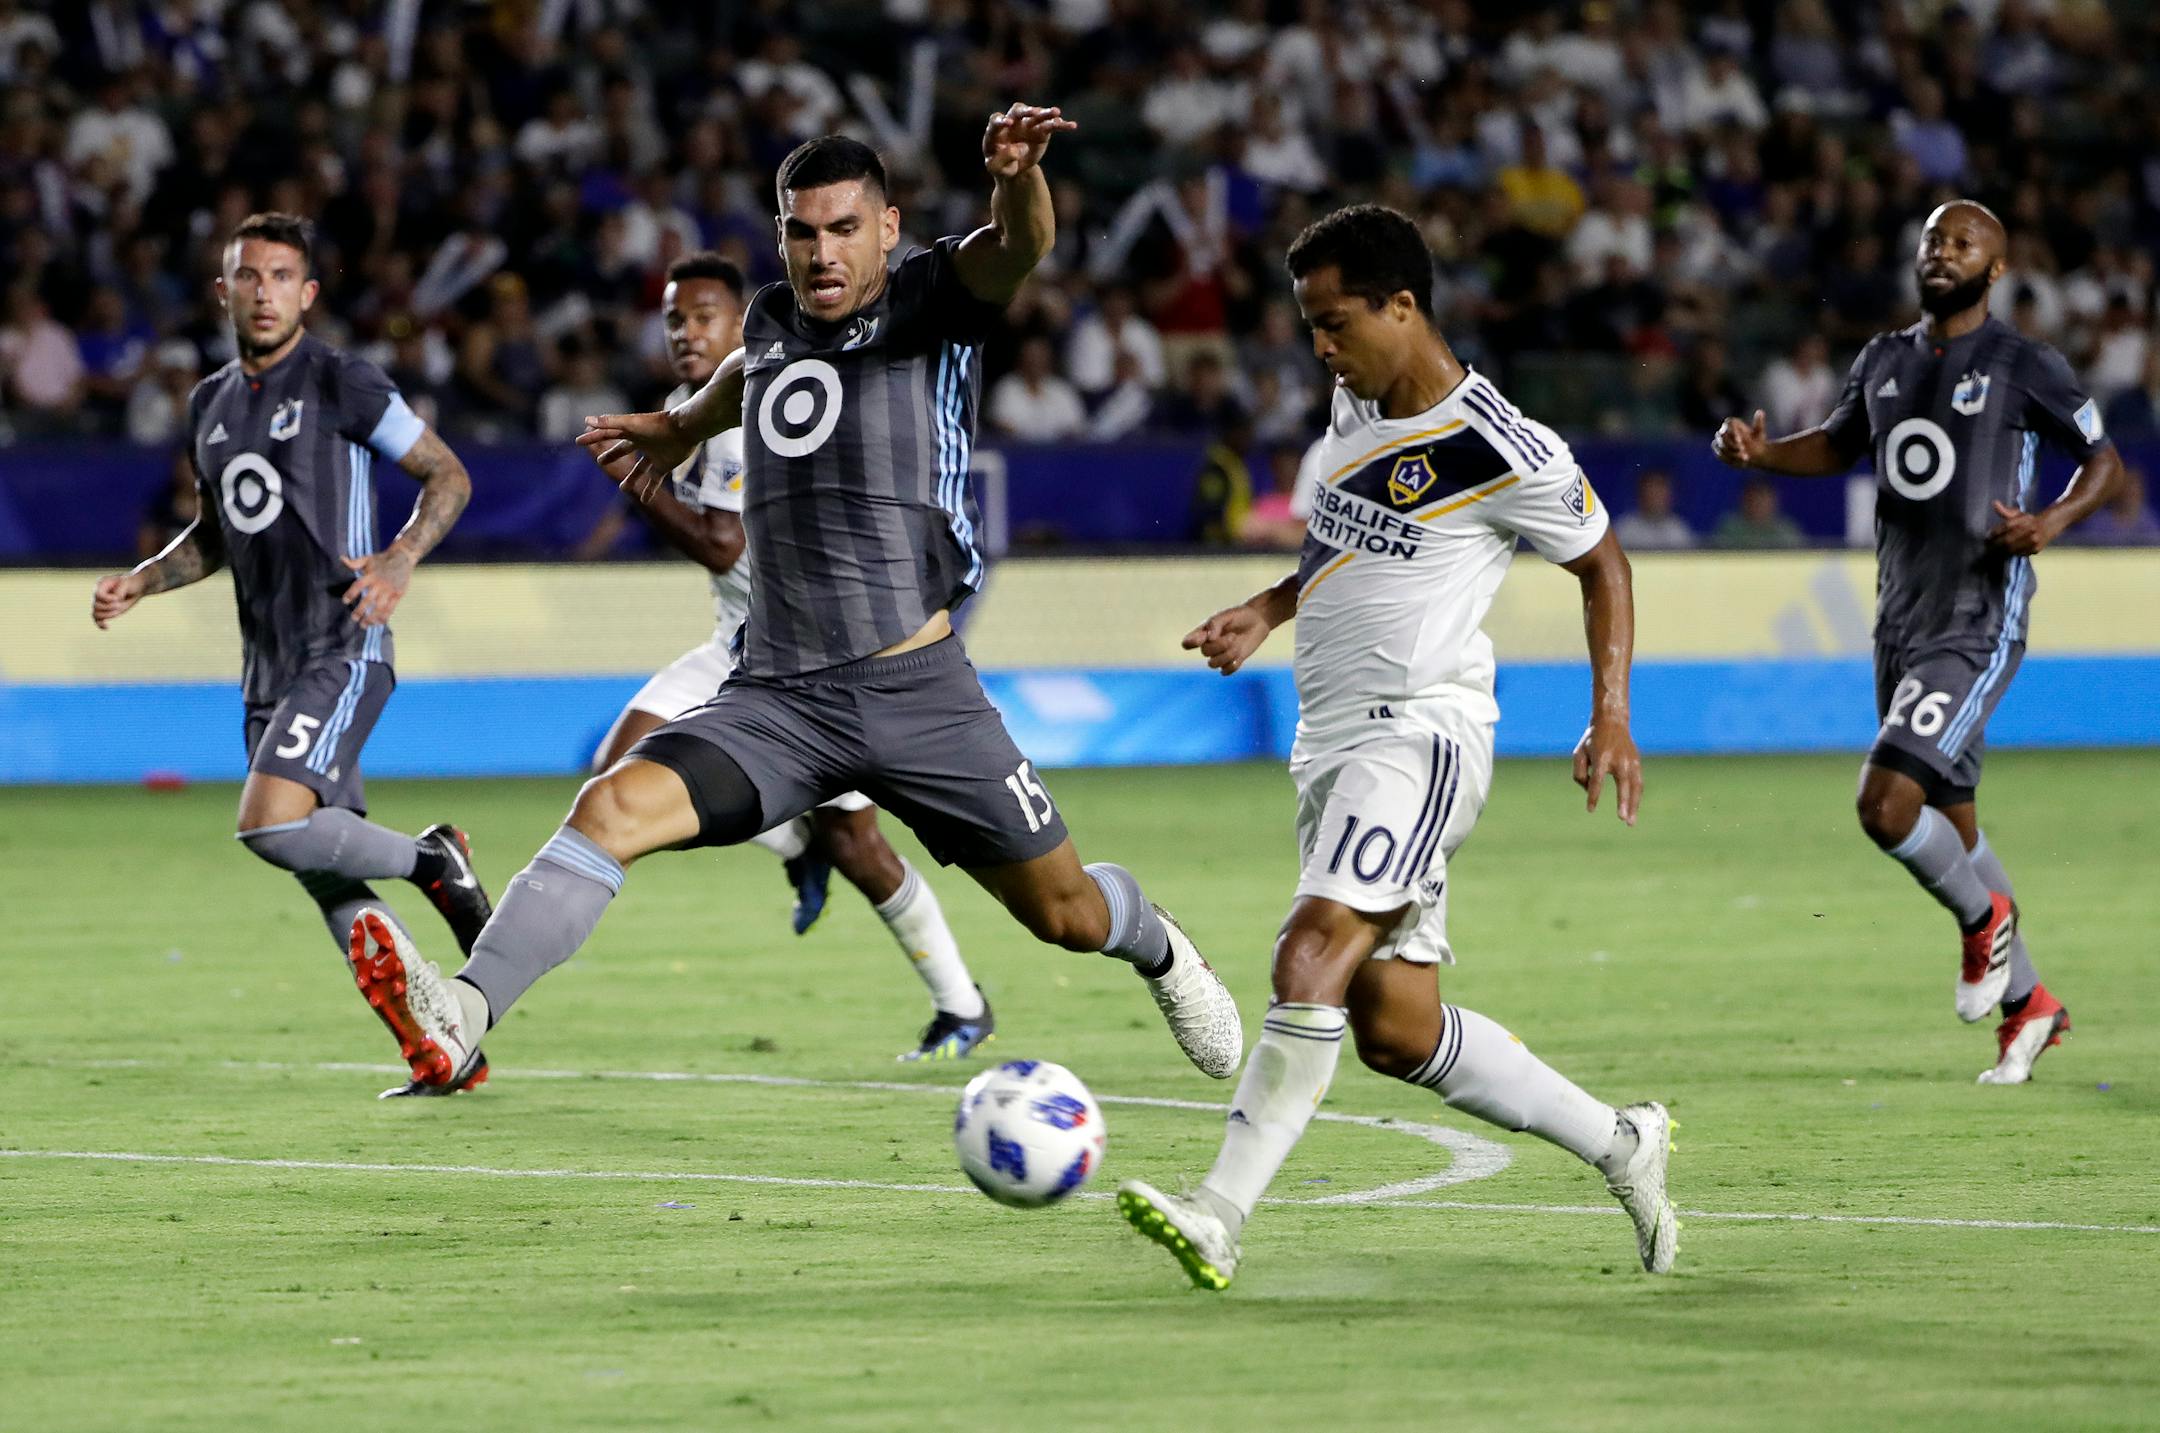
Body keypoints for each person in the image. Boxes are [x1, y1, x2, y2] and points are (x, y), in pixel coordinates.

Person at [343, 113, 1242, 1094]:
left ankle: (1158, 943)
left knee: (1065, 913)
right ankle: (459, 1014)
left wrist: (1017, 180)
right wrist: (676, 428)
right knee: (607, 807)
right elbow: (747, 373)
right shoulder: (769, 320)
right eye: (803, 232)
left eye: (844, 228)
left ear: (888, 227)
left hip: (919, 694)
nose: (823, 252)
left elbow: (1021, 244)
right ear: (781, 237)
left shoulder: (934, 297)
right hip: (776, 698)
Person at [1118, 204, 1675, 1291]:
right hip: (1330, 739)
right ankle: (1623, 1141)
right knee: (1394, 1026)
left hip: (1418, 732)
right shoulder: (1352, 402)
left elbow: (1604, 564)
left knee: (1307, 951)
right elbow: (1344, 535)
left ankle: (1219, 1210)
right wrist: (1270, 606)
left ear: (1402, 305)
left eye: (1334, 324)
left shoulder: (1503, 446)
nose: (1319, 348)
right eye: (1310, 327)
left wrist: (1610, 711)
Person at [1714, 200, 2125, 1085]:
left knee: (1886, 804)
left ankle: (1986, 926)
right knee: (1949, 823)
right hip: (1899, 615)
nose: (1943, 253)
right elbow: (1835, 446)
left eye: (1963, 242)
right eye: (1934, 240)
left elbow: (2105, 461)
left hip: (1977, 617)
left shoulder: (2025, 364)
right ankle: (2031, 1005)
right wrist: (1760, 455)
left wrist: (2051, 520)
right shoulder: (1886, 358)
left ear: (1996, 267)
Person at [89, 213, 494, 1088]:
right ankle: (442, 1046)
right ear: (223, 290)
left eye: (281, 276)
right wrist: (143, 579)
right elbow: (215, 533)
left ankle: (433, 860)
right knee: (317, 859)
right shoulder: (211, 404)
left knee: (269, 822)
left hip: (342, 645)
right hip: (265, 671)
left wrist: (399, 557)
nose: (264, 291)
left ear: (307, 293)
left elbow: (447, 474)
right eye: (248, 275)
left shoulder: (340, 380)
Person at [590, 250, 995, 1062]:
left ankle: (962, 1002)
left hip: (819, 657)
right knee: (616, 776)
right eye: (674, 319)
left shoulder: (760, 401)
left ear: (739, 319)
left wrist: (637, 483)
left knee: (861, 847)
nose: (686, 333)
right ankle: (795, 840)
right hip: (737, 648)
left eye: (703, 316)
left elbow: (719, 541)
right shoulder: (689, 408)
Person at [1711, 475, 1805, 548]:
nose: (1757, 503)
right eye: (1752, 498)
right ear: (1743, 499)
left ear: (1773, 500)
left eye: (1762, 498)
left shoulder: (1786, 529)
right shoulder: (1729, 527)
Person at [1613, 469, 1697, 550]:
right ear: (1641, 494)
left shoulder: (1679, 530)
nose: (1656, 496)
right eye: (1652, 491)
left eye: (1660, 491)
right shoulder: (1626, 528)